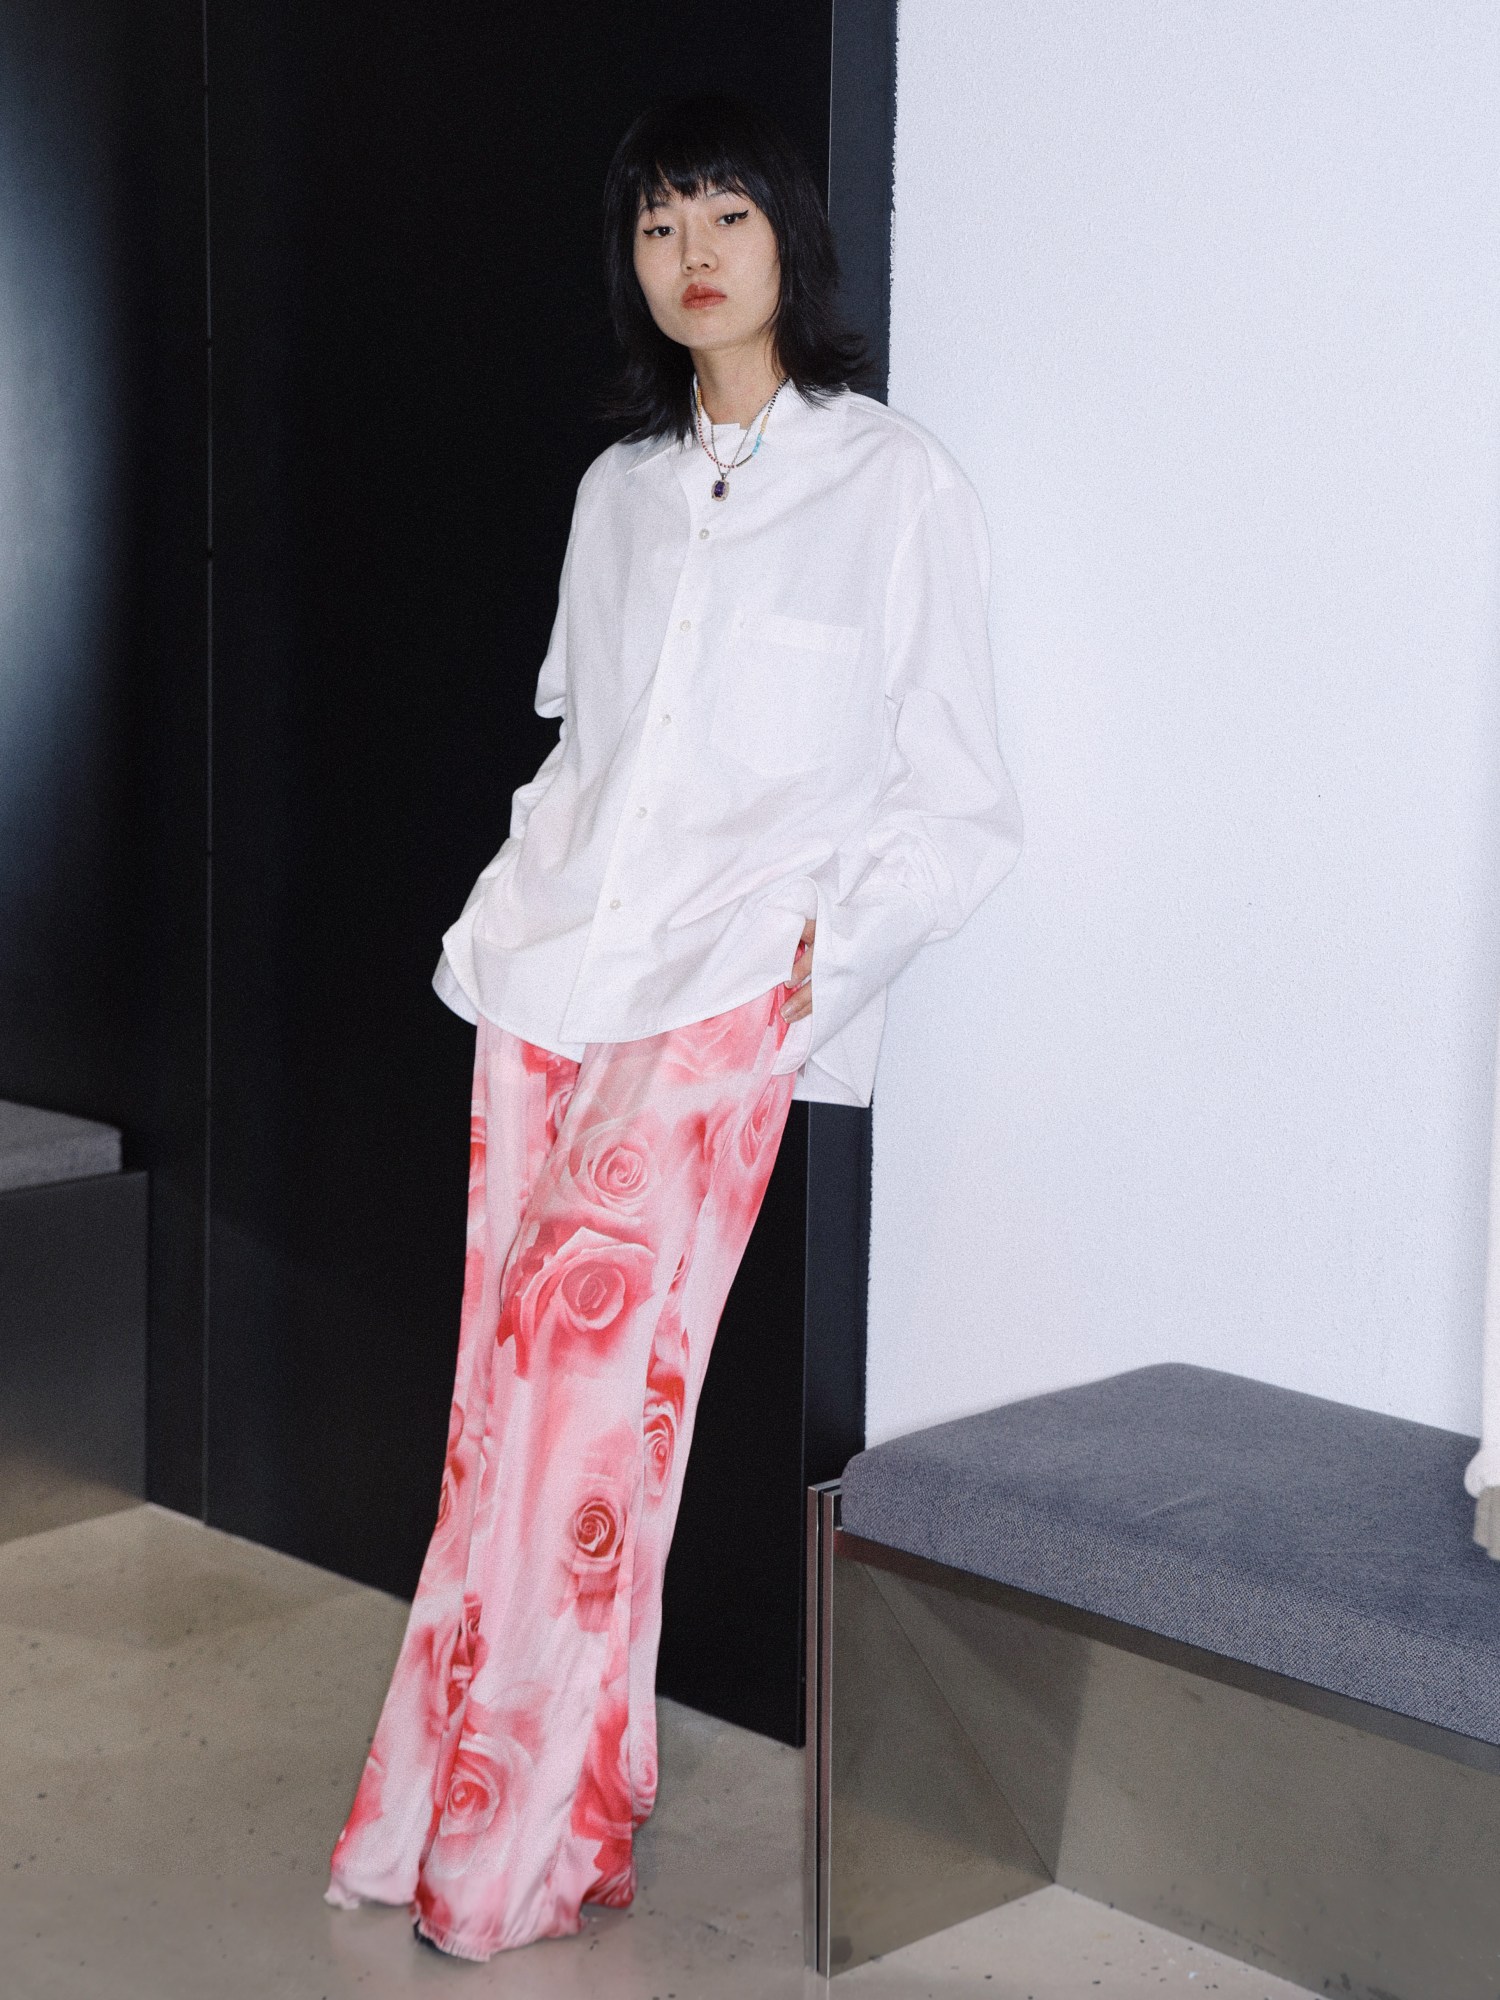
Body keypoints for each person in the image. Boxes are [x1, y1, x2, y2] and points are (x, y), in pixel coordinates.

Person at [324, 91, 1021, 1962]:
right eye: (656, 224)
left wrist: (812, 970)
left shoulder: (894, 485)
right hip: (553, 982)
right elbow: (593, 741)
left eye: (725, 212)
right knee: (507, 1422)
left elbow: (959, 801)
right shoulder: (616, 498)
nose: (693, 251)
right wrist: (514, 901)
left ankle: (520, 1852)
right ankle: (458, 1809)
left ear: (792, 235)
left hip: (723, 998)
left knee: (576, 1412)